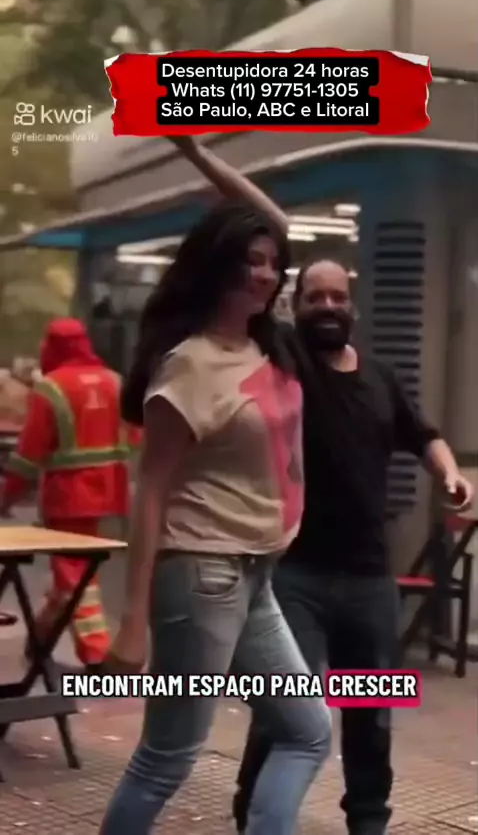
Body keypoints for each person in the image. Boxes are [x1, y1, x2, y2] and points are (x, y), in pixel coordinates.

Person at [169, 136, 474, 835]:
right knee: (287, 711)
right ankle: (254, 810)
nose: (328, 305)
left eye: (338, 296)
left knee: (371, 712)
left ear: (353, 306)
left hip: (370, 580)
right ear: (295, 303)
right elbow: (268, 223)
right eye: (315, 296)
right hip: (294, 577)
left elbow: (424, 434)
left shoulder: (380, 376)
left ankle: (368, 819)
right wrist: (196, 154)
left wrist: (450, 474)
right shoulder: (284, 356)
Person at [99, 200, 332, 835]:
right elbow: (150, 489)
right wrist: (133, 622)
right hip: (202, 573)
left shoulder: (265, 343)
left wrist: (201, 154)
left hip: (255, 575)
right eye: (249, 260)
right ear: (216, 263)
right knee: (166, 757)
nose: (265, 274)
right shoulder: (190, 363)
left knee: (307, 730)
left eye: (272, 263)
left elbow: (273, 219)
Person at [0, 318, 141, 669]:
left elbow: (28, 457)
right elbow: (137, 437)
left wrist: (6, 499)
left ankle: (98, 656)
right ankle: (40, 639)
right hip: (114, 497)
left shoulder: (51, 388)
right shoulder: (114, 381)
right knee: (71, 576)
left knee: (77, 578)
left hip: (70, 501)